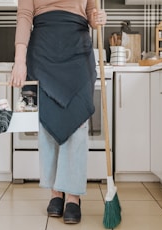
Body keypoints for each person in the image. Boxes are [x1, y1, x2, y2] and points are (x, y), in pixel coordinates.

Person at [10, 0, 107, 224]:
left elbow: (91, 13)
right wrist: (19, 61)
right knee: (48, 123)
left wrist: (96, 19)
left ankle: (73, 195)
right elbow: (25, 16)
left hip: (77, 51)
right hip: (43, 50)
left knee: (77, 122)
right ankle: (56, 191)